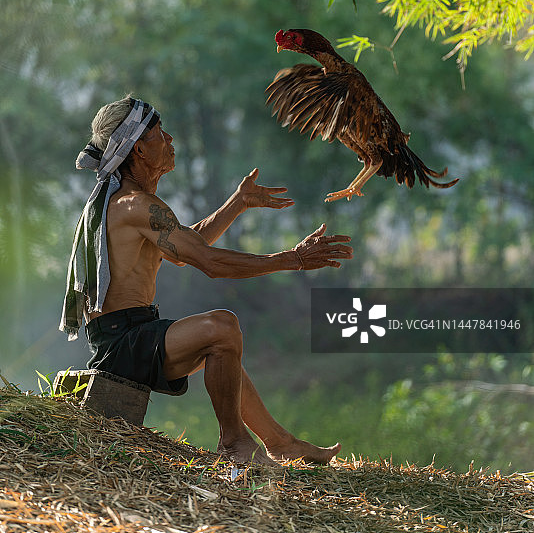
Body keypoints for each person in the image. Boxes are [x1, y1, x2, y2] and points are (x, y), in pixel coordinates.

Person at [60, 96, 353, 465]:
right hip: (122, 342)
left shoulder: (132, 204)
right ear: (139, 149)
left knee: (220, 347)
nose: (170, 140)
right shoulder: (136, 205)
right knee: (221, 327)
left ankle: (280, 442)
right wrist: (292, 260)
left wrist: (238, 202)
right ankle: (234, 444)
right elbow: (208, 261)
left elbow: (184, 246)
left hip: (131, 333)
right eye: (159, 135)